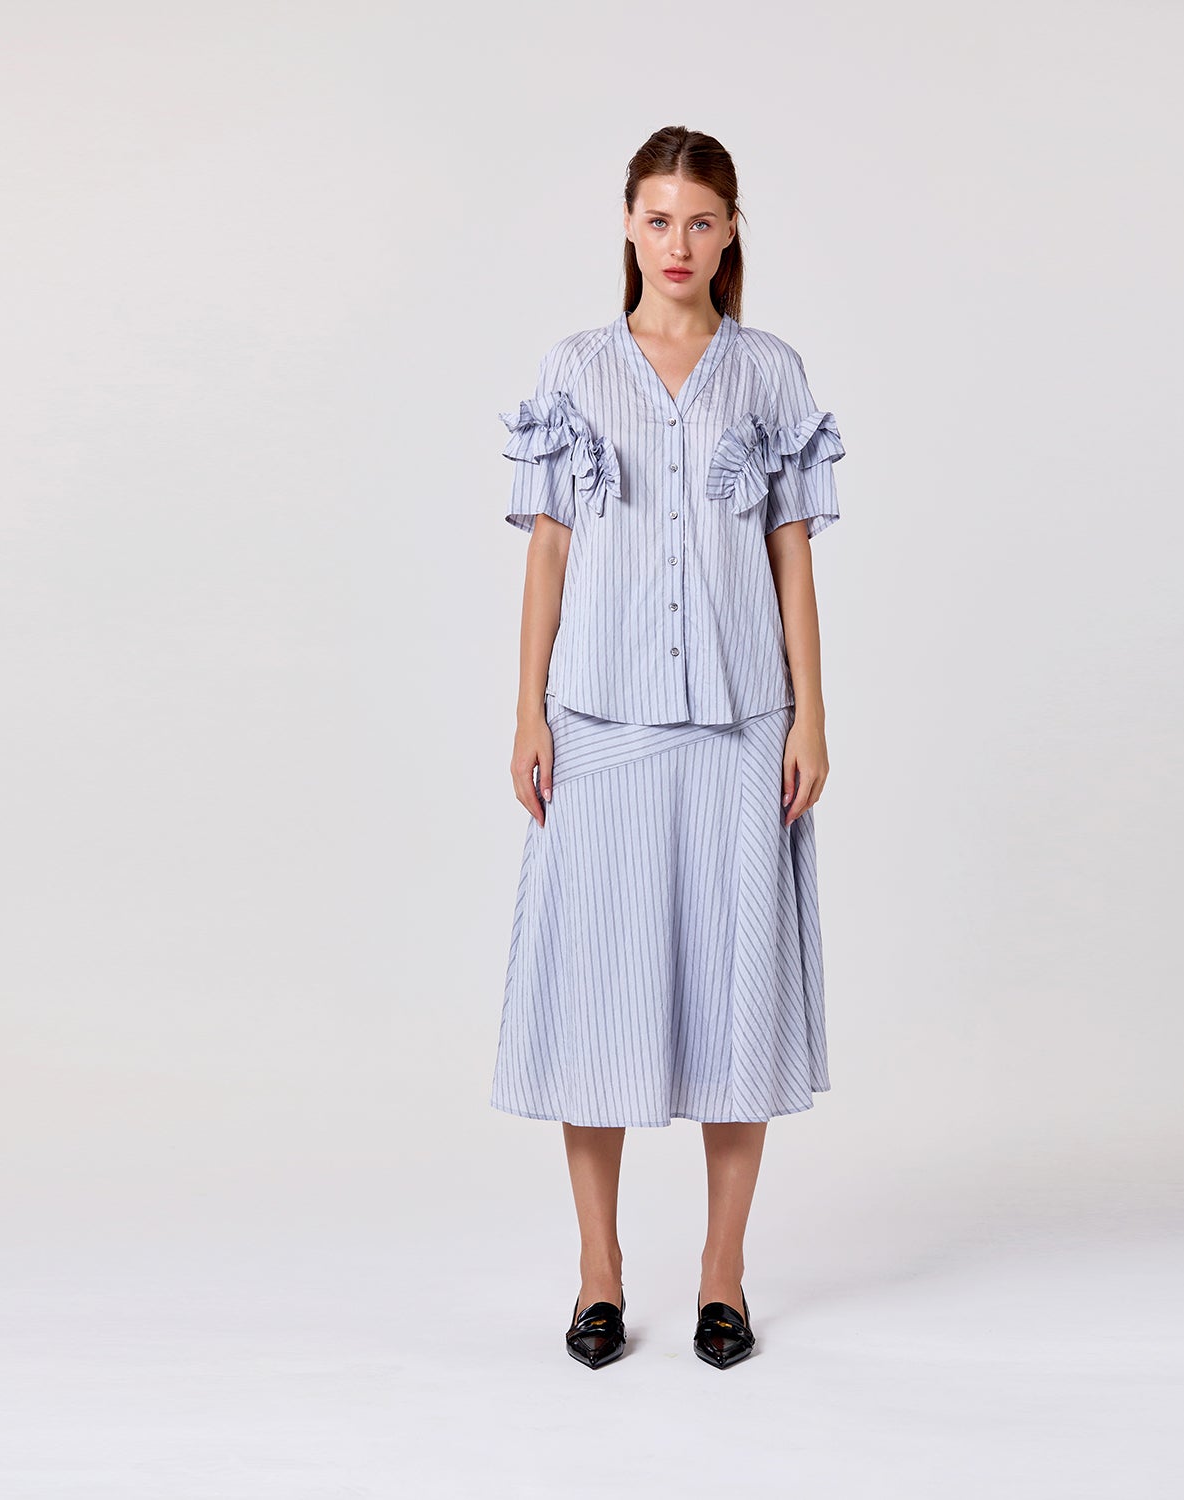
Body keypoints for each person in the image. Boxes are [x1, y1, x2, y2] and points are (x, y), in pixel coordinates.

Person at [490, 125, 845, 1371]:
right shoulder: (577, 371)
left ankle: (722, 1276)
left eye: (700, 220)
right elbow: (549, 552)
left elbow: (791, 557)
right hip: (601, 721)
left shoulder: (770, 373)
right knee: (599, 995)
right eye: (657, 219)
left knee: (736, 998)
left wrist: (810, 714)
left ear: (731, 229)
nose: (677, 243)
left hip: (745, 727)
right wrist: (528, 710)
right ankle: (600, 1273)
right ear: (628, 227)